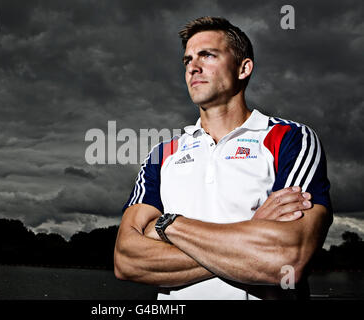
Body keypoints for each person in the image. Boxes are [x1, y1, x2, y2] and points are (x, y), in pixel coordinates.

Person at [114, 16, 332, 300]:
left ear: (244, 68)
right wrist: (252, 235)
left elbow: (285, 260)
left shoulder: (291, 139)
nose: (193, 67)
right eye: (187, 60)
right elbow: (126, 260)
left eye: (207, 55)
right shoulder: (162, 154)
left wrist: (167, 225)